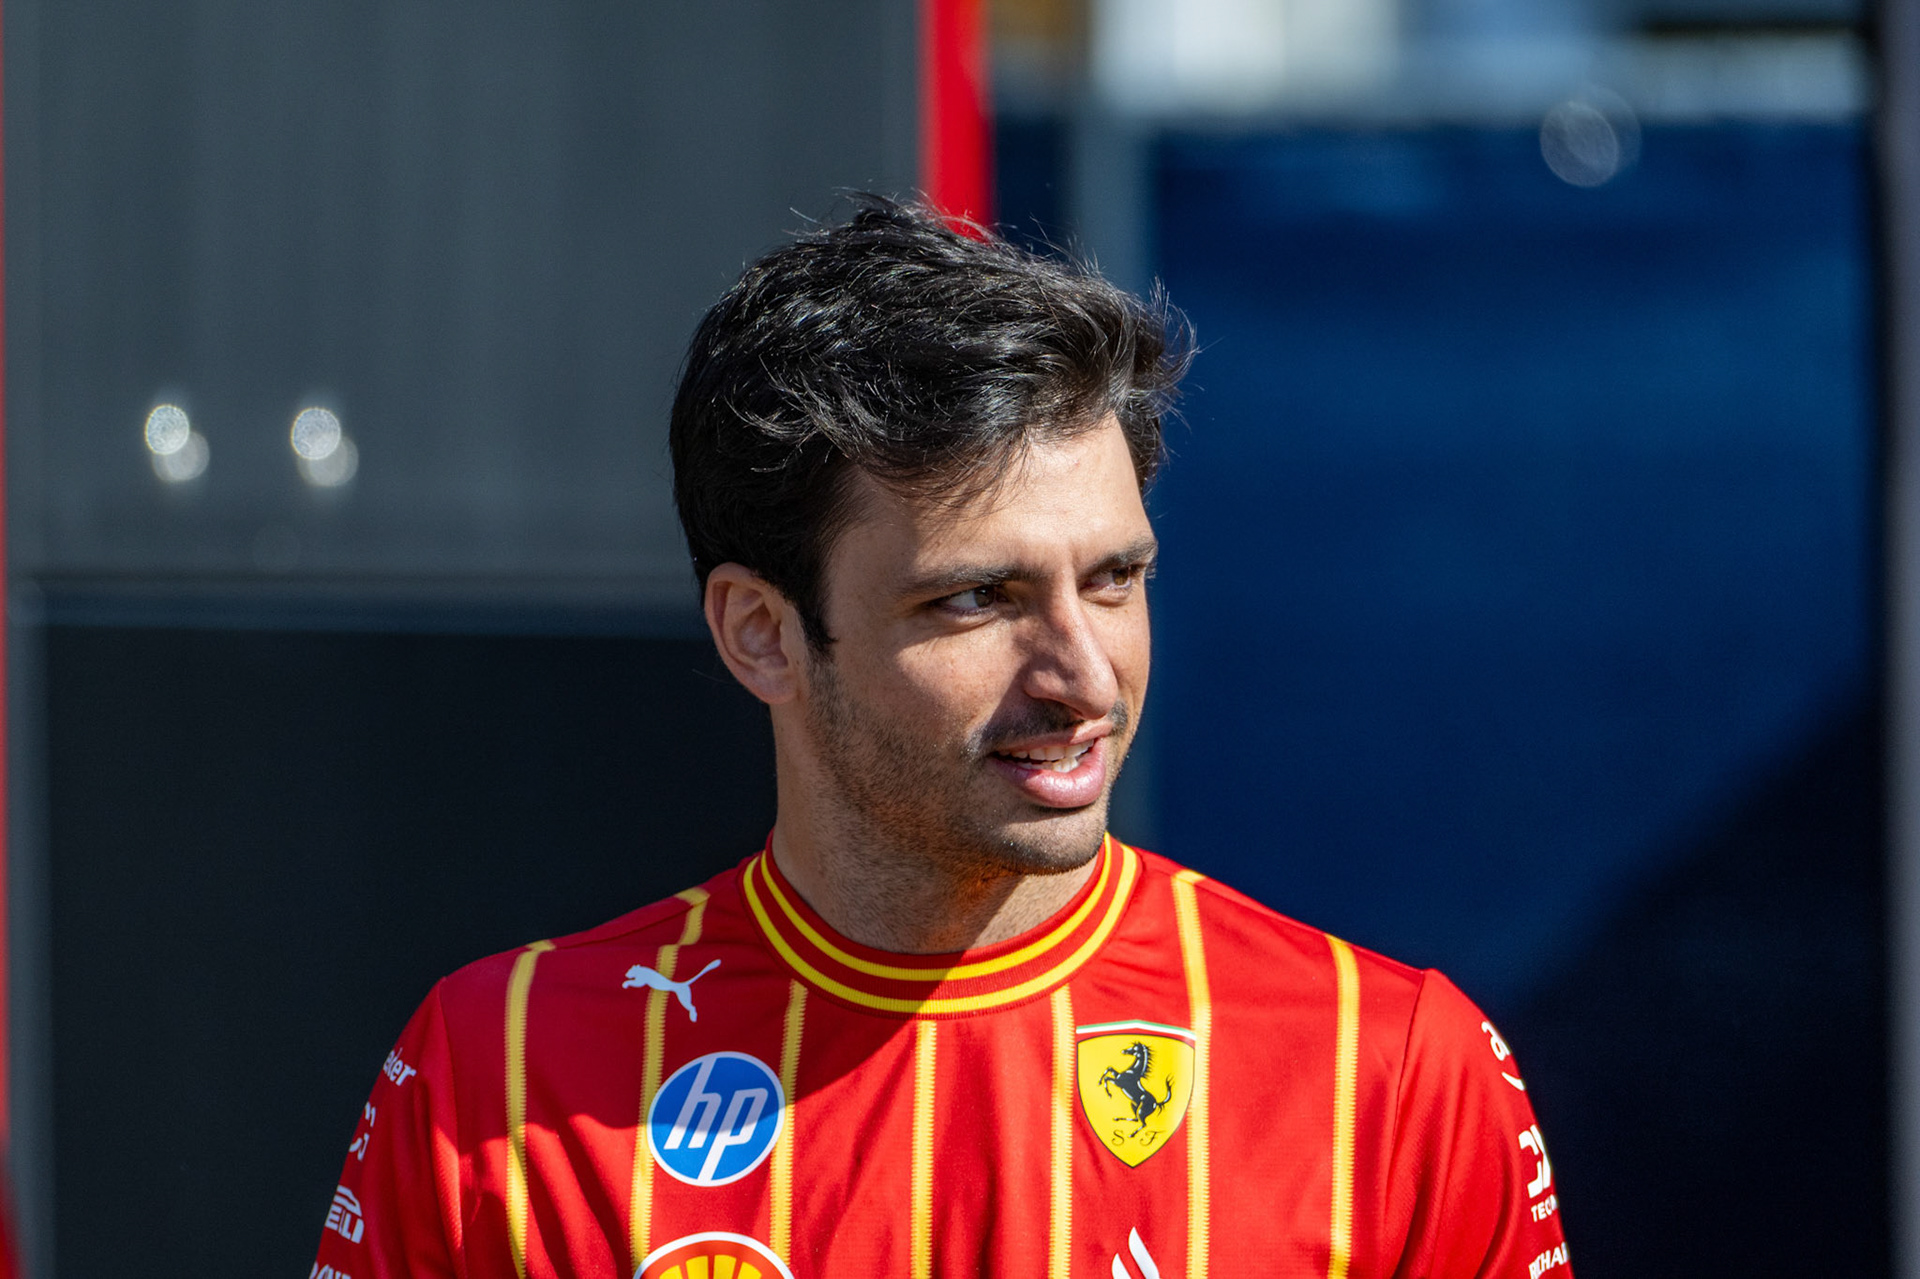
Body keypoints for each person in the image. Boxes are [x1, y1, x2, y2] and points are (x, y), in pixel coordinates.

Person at [310, 198, 1572, 1279]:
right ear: (762, 633)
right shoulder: (498, 1074)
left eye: (1117, 578)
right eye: (977, 597)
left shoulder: (1393, 1071)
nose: (1084, 674)